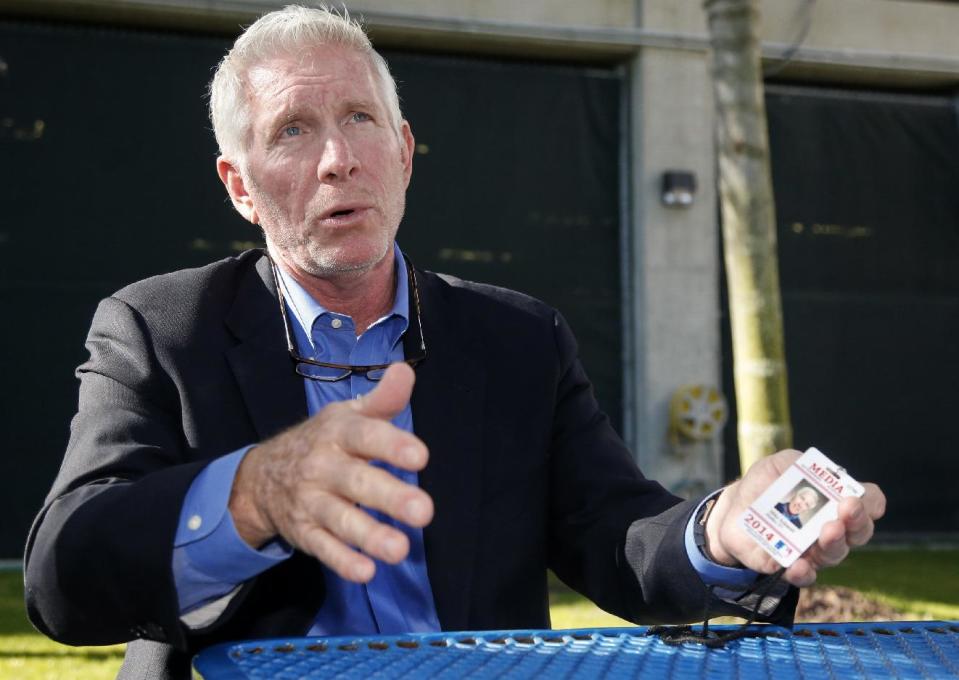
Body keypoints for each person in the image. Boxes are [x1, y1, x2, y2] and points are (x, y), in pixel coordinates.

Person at [23, 6, 886, 679]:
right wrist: (252, 495)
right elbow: (64, 578)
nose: (336, 159)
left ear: (403, 153)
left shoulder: (517, 338)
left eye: (360, 119)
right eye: (292, 129)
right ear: (239, 185)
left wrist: (720, 530)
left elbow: (615, 532)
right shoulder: (159, 329)